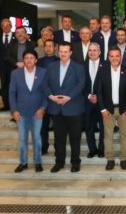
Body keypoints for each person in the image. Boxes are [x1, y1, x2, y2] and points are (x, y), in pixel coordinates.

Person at [43, 42, 85, 173]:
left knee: (75, 138)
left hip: (73, 107)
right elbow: (45, 85)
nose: (63, 54)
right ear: (58, 52)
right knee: (59, 138)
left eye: (66, 52)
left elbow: (81, 84)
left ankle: (75, 162)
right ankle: (59, 162)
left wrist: (69, 97)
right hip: (56, 108)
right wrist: (51, 97)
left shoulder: (78, 67)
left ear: (71, 53)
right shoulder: (51, 67)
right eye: (61, 51)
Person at [9, 50, 47, 173]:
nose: (29, 60)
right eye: (26, 58)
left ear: (36, 60)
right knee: (22, 139)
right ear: (23, 60)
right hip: (21, 113)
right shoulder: (15, 73)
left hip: (37, 112)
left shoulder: (43, 72)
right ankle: (23, 162)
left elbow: (47, 92)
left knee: (37, 137)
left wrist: (43, 108)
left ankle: (37, 162)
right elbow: (12, 93)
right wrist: (14, 110)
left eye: (32, 58)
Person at [97, 47, 126, 170]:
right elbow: (99, 92)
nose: (114, 58)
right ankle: (110, 159)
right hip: (108, 110)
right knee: (108, 135)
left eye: (117, 56)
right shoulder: (102, 71)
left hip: (124, 109)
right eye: (111, 56)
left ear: (121, 57)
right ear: (108, 58)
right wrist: (102, 109)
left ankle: (123, 159)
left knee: (125, 135)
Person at [36, 39, 59, 155]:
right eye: (46, 46)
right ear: (43, 48)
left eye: (51, 46)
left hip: (56, 98)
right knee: (42, 126)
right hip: (42, 98)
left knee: (57, 126)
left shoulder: (60, 61)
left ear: (54, 48)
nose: (48, 48)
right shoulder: (38, 62)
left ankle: (57, 148)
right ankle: (43, 147)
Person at [83, 42, 105, 158]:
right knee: (89, 127)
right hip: (87, 102)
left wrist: (97, 96)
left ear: (100, 52)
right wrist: (88, 96)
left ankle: (101, 149)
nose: (92, 52)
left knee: (103, 127)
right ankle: (92, 149)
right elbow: (80, 84)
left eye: (95, 50)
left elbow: (108, 85)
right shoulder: (82, 65)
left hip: (101, 101)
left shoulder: (106, 65)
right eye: (90, 50)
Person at [0, 18, 15, 111]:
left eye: (8, 25)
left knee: (13, 85)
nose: (6, 27)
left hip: (13, 66)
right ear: (1, 27)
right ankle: (6, 105)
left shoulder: (16, 36)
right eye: (3, 26)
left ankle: (13, 106)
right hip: (2, 67)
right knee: (3, 86)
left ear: (11, 26)